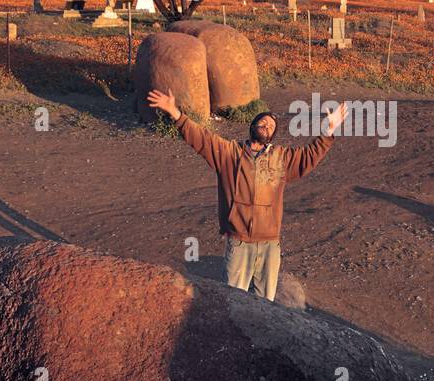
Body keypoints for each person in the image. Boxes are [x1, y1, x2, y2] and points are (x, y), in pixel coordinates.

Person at [146, 89, 347, 301]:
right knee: (234, 299)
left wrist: (329, 130)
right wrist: (175, 113)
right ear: (252, 127)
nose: (267, 126)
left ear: (272, 136)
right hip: (239, 242)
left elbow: (308, 156)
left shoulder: (281, 158)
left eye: (271, 126)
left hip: (270, 245)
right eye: (263, 122)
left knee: (265, 304)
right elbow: (202, 138)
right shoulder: (230, 153)